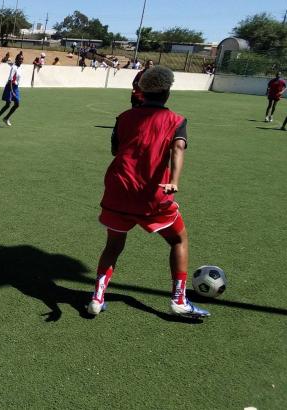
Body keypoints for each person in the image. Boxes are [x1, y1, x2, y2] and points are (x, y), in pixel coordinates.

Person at [87, 65, 210, 320]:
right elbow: (178, 149)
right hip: (151, 195)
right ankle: (178, 300)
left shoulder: (123, 117)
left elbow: (115, 150)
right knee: (178, 240)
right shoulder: (176, 120)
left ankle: (97, 298)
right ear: (167, 92)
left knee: (114, 244)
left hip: (118, 190)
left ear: (142, 91)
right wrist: (174, 180)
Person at [0, 53, 24, 127]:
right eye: (20, 59)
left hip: (15, 87)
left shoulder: (18, 67)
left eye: (22, 59)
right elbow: (10, 80)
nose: (21, 60)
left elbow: (8, 61)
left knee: (17, 104)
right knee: (8, 104)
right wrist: (12, 91)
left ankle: (6, 118)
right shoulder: (14, 68)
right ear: (16, 59)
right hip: (10, 86)